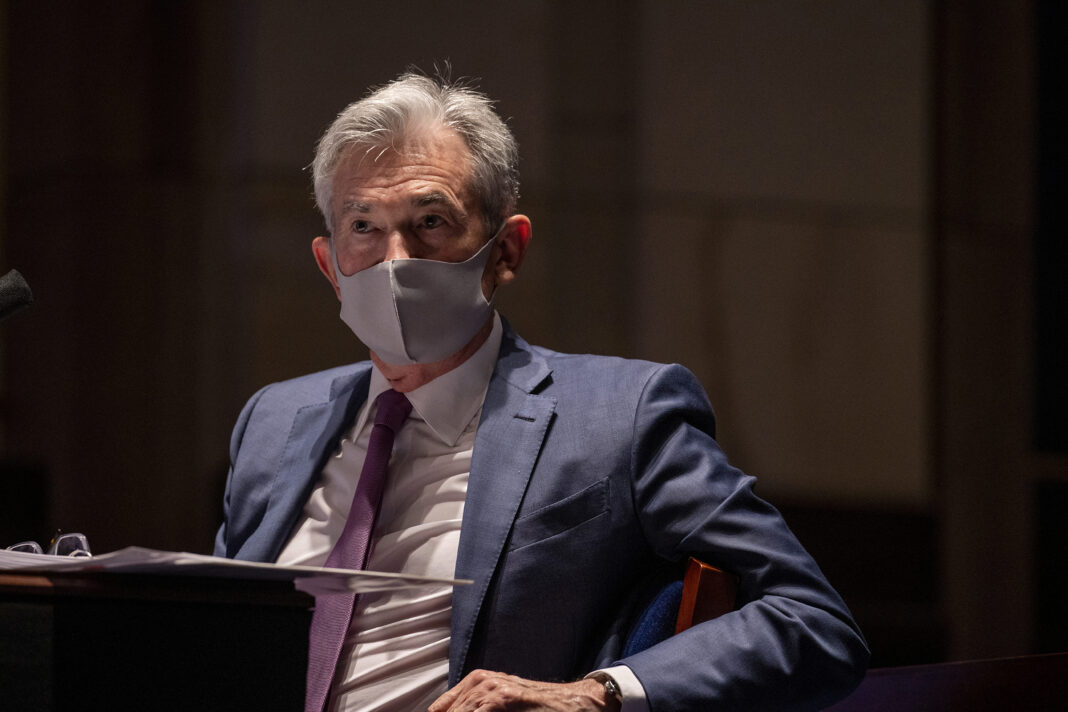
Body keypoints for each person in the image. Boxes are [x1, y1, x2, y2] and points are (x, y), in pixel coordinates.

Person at [214, 71, 869, 712]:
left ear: (506, 250)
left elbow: (811, 621)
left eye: (431, 221)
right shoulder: (275, 420)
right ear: (330, 264)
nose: (394, 260)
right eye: (363, 226)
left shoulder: (622, 414)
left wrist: (597, 694)